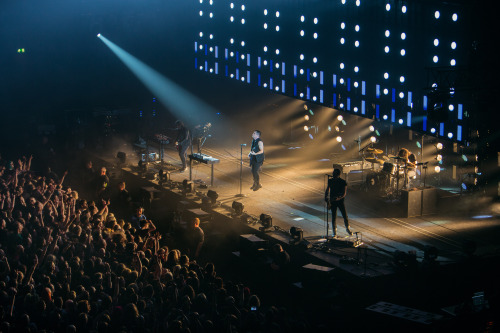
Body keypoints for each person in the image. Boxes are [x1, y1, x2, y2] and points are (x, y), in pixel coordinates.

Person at [325, 167, 352, 237]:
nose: (332, 174)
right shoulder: (330, 181)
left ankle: (347, 228)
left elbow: (344, 193)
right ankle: (334, 232)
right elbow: (327, 189)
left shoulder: (343, 182)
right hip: (333, 201)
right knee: (334, 217)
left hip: (340, 201)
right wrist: (326, 197)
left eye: (334, 173)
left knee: (345, 215)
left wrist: (338, 198)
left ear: (337, 174)